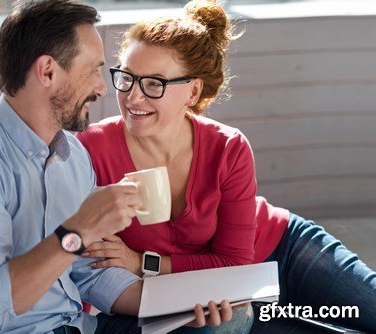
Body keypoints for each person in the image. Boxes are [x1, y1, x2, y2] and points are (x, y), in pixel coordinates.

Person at [0, 1, 237, 333]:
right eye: (92, 71)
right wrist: (77, 231)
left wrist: (178, 304)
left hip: (76, 326)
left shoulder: (73, 157)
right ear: (48, 71)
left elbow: (92, 272)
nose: (101, 87)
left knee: (214, 325)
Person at [76, 0, 376, 333]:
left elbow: (234, 262)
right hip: (221, 299)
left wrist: (142, 263)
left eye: (153, 84)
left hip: (281, 251)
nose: (133, 97)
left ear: (193, 91)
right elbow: (88, 263)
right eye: (127, 78)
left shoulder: (228, 147)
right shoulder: (91, 150)